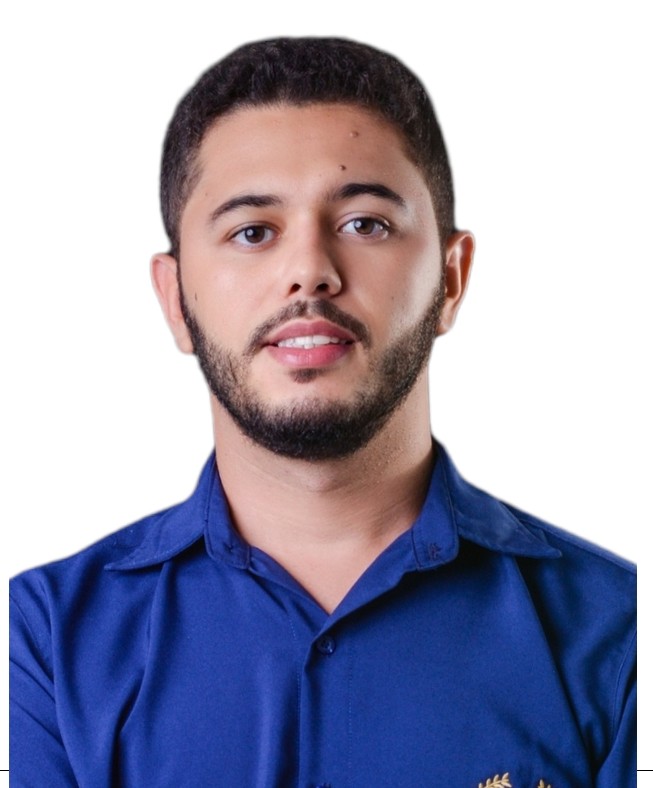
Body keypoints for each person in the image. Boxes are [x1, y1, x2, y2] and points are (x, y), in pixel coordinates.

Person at [9, 37, 635, 786]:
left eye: (365, 223)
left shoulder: (620, 632)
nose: (309, 270)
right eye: (252, 232)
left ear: (451, 279)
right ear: (175, 300)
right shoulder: (45, 640)